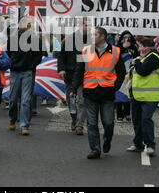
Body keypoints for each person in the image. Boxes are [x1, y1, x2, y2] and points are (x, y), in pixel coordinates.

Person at [71, 27, 126, 159]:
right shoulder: (84, 50)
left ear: (103, 36)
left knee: (108, 122)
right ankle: (95, 149)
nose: (91, 37)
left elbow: (121, 72)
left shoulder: (116, 51)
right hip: (90, 91)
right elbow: (78, 71)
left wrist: (115, 87)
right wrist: (74, 89)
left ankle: (107, 139)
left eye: (94, 34)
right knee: (91, 123)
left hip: (107, 92)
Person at [6, 17, 44, 135]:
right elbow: (8, 53)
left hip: (28, 71)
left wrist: (31, 65)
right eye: (27, 24)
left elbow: (39, 55)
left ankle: (24, 125)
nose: (28, 26)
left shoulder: (35, 39)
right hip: (15, 72)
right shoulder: (12, 38)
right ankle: (12, 119)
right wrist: (14, 62)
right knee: (12, 99)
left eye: (30, 24)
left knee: (26, 100)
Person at [126, 38, 159, 156]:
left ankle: (150, 145)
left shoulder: (153, 57)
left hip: (149, 96)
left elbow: (143, 71)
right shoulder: (143, 57)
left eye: (140, 46)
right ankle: (138, 144)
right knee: (136, 120)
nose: (139, 49)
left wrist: (136, 63)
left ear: (146, 47)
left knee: (146, 119)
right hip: (137, 95)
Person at [57, 17, 91, 135]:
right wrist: (61, 69)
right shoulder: (70, 39)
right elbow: (61, 55)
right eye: (86, 25)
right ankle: (74, 118)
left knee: (82, 101)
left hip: (86, 75)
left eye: (89, 25)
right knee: (70, 100)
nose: (88, 27)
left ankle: (79, 125)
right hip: (70, 74)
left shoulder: (93, 39)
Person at [116, 30, 139, 122]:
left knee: (128, 93)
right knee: (118, 94)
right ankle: (119, 115)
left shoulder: (134, 48)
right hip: (119, 73)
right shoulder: (117, 48)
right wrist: (123, 48)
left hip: (130, 73)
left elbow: (138, 57)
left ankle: (127, 113)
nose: (126, 39)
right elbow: (114, 58)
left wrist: (133, 51)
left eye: (128, 37)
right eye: (124, 37)